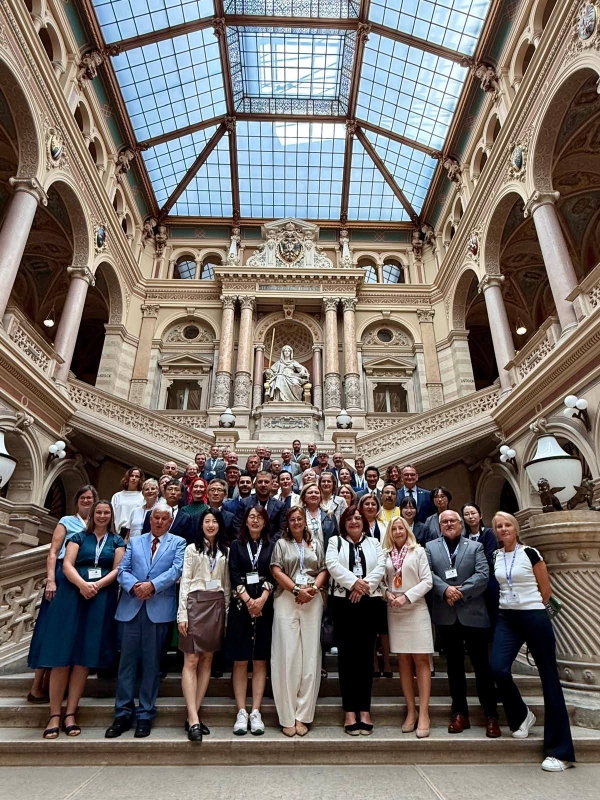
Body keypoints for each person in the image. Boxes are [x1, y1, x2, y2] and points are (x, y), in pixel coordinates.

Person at [490, 512, 575, 771]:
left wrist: (534, 610)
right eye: (498, 526)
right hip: (507, 618)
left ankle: (560, 752)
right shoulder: (496, 555)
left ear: (515, 528)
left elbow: (546, 590)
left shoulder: (531, 553)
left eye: (507, 525)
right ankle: (522, 715)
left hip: (534, 616)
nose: (503, 529)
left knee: (549, 679)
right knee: (497, 668)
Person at [41, 500, 125, 739]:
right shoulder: (78, 537)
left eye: (106, 512)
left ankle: (70, 713)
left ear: (111, 516)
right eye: (98, 512)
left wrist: (96, 585)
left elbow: (118, 569)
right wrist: (82, 584)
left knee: (83, 656)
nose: (101, 515)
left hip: (100, 596)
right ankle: (54, 714)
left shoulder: (117, 541)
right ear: (92, 515)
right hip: (73, 594)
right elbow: (66, 563)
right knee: (63, 654)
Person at [105, 503, 185, 739]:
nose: (159, 521)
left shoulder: (178, 542)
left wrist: (152, 586)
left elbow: (176, 569)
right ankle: (122, 713)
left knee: (151, 665)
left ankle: (145, 714)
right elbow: (122, 570)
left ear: (169, 522)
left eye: (164, 519)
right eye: (156, 518)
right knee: (126, 664)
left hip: (158, 609)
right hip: (131, 607)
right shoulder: (136, 541)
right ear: (150, 520)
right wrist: (134, 587)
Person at [426, 509, 501, 737]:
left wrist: (460, 591)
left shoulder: (475, 546)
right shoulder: (430, 548)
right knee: (454, 669)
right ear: (440, 526)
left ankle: (491, 716)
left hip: (473, 613)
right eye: (444, 521)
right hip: (446, 615)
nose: (449, 524)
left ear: (461, 524)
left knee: (482, 668)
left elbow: (483, 575)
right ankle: (459, 714)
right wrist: (445, 589)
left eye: (452, 521)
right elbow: (427, 573)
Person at [28, 485, 99, 703]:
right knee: (51, 629)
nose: (87, 501)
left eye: (90, 498)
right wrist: (50, 579)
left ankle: (56, 683)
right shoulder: (66, 522)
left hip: (85, 578)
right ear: (77, 500)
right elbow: (53, 552)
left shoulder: (96, 524)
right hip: (63, 578)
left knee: (71, 632)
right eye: (83, 498)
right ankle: (36, 685)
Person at [326, 505, 386, 735]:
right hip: (344, 603)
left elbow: (380, 566)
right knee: (347, 659)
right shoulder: (335, 542)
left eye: (358, 518)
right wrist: (354, 583)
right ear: (344, 522)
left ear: (365, 522)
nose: (354, 522)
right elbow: (332, 565)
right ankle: (349, 710)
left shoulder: (374, 543)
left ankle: (365, 709)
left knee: (365, 657)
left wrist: (363, 587)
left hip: (369, 604)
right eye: (350, 518)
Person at [270, 506, 328, 737]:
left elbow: (323, 568)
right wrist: (296, 590)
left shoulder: (315, 544)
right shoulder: (281, 544)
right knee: (287, 655)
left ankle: (303, 715)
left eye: (299, 519)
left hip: (313, 600)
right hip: (287, 598)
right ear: (287, 523)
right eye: (292, 519)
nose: (296, 522)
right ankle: (286, 715)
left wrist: (312, 589)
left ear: (305, 522)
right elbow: (276, 570)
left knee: (311, 656)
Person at [177, 509, 231, 742]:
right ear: (201, 525)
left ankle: (193, 717)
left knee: (207, 659)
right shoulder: (192, 549)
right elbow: (185, 581)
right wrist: (182, 613)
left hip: (216, 604)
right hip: (195, 603)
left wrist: (226, 614)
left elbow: (227, 586)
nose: (210, 525)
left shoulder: (225, 550)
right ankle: (193, 717)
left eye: (214, 522)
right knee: (191, 659)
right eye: (207, 521)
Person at [226, 506, 276, 736]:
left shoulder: (271, 545)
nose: (255, 521)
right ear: (245, 522)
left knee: (260, 660)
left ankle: (255, 711)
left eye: (259, 518)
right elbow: (234, 573)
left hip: (264, 608)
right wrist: (248, 600)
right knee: (240, 659)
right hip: (241, 607)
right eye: (251, 517)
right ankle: (241, 711)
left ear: (265, 522)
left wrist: (262, 599)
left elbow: (273, 573)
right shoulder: (236, 546)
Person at [382, 517, 433, 738]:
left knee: (420, 659)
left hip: (415, 607)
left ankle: (424, 713)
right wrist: (388, 594)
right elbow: (381, 581)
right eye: (394, 528)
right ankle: (410, 711)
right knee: (403, 659)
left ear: (407, 530)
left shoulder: (418, 551)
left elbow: (427, 581)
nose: (398, 531)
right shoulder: (385, 554)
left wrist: (407, 597)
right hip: (394, 609)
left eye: (401, 527)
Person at [461, 502, 499, 627]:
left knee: (492, 613)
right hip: (470, 582)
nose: (470, 517)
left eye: (473, 513)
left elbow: (489, 557)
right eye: (466, 514)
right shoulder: (463, 537)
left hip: (488, 580)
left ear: (480, 515)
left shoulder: (489, 534)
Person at [232, 471, 286, 539]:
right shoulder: (244, 503)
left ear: (272, 484)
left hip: (272, 546)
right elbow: (237, 526)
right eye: (260, 482)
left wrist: (269, 545)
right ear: (254, 485)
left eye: (266, 482)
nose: (263, 485)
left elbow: (282, 530)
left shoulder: (280, 506)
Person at [300, 481, 339, 550]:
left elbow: (336, 538)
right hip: (303, 555)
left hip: (326, 555)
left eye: (316, 493)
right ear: (304, 497)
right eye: (310, 493)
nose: (313, 494)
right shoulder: (298, 514)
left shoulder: (329, 515)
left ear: (320, 497)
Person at [111, 467, 144, 534]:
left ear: (140, 479)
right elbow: (111, 515)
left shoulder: (143, 497)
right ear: (128, 477)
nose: (134, 478)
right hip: (117, 532)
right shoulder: (117, 496)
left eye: (137, 476)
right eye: (132, 475)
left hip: (134, 533)